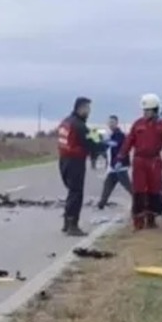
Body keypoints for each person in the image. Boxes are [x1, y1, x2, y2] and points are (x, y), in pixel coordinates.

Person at [117, 93, 162, 230]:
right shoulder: (138, 124)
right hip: (139, 161)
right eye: (144, 110)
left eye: (148, 110)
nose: (145, 113)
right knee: (139, 190)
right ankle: (138, 220)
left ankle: (151, 219)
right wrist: (121, 156)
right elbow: (129, 141)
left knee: (154, 190)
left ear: (155, 110)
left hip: (154, 161)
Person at [57, 96, 98, 237]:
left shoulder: (66, 122)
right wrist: (104, 144)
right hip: (75, 161)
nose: (89, 111)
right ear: (80, 108)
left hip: (64, 160)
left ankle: (66, 222)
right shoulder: (79, 125)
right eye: (87, 108)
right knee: (76, 193)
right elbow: (92, 142)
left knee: (72, 191)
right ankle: (72, 224)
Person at [97, 115, 131, 209]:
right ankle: (101, 204)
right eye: (109, 122)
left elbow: (116, 144)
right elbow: (106, 148)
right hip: (112, 167)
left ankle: (139, 202)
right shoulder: (111, 135)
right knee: (107, 185)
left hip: (120, 166)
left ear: (116, 123)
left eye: (112, 122)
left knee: (128, 186)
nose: (111, 124)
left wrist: (104, 141)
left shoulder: (120, 135)